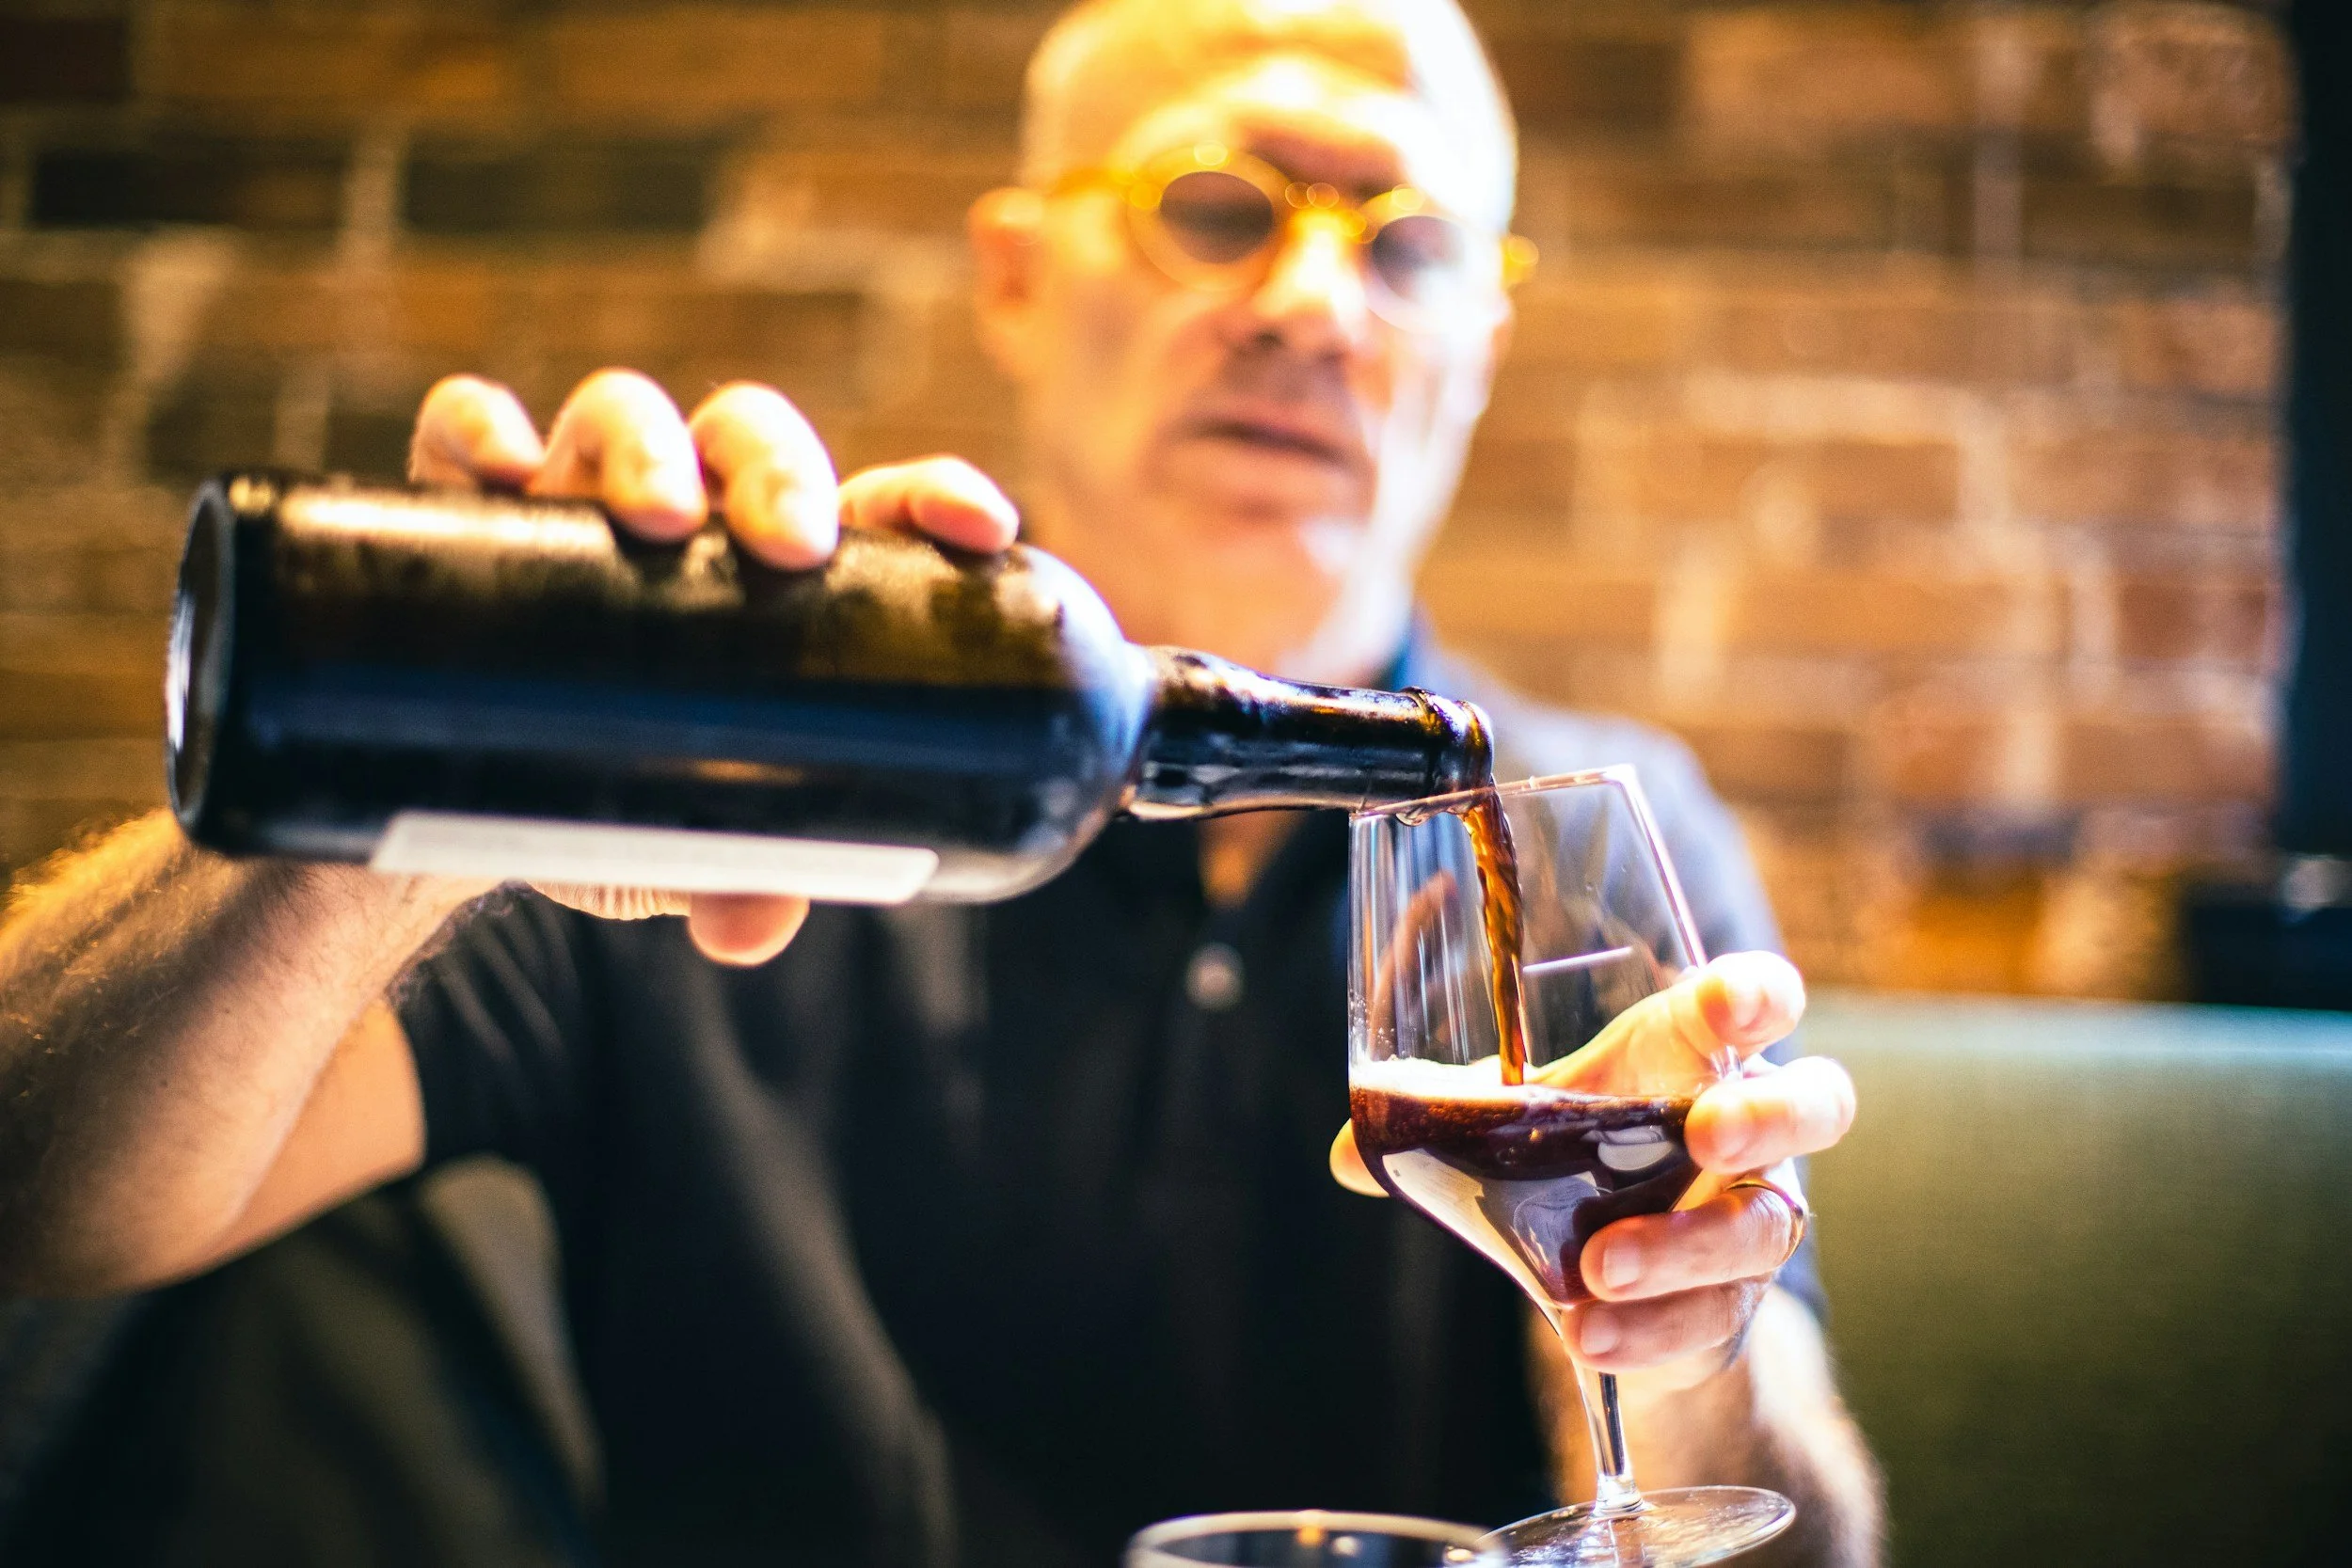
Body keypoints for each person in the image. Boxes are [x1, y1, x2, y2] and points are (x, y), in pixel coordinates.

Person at [0, 0, 1879, 1562]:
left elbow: (1811, 1539)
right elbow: (39, 1195)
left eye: (1405, 246)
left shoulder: (1586, 825)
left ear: (1478, 342)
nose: (1317, 303)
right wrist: (454, 761)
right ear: (1013, 272)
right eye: (1220, 207)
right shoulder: (727, 773)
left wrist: (1677, 1323)